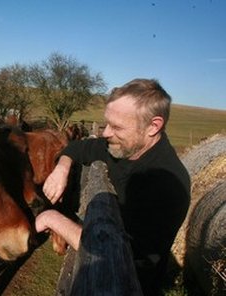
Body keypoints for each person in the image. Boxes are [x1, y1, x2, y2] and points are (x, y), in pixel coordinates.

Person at [35, 78, 191, 295]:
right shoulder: (122, 146)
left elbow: (120, 255)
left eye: (116, 126)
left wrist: (53, 219)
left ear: (153, 126)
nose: (105, 132)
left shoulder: (167, 187)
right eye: (106, 123)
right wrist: (62, 167)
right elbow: (79, 147)